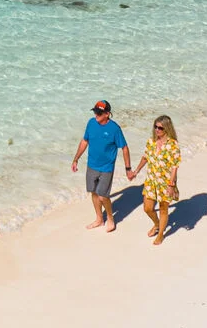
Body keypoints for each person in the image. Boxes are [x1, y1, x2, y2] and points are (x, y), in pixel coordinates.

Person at [70, 100, 131, 232]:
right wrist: (76, 159)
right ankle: (99, 219)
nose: (96, 114)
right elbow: (84, 141)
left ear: (107, 114)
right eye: (95, 111)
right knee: (94, 192)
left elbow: (124, 148)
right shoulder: (91, 123)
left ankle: (110, 218)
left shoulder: (115, 129)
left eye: (99, 112)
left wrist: (128, 169)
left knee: (103, 195)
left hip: (106, 167)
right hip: (92, 165)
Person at [129, 115, 181, 245]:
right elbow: (145, 157)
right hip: (151, 180)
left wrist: (171, 184)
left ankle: (161, 234)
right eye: (155, 127)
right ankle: (157, 224)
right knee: (147, 208)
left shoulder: (173, 145)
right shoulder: (151, 141)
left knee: (163, 208)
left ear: (167, 129)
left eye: (160, 128)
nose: (157, 130)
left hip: (166, 181)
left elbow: (175, 166)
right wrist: (136, 171)